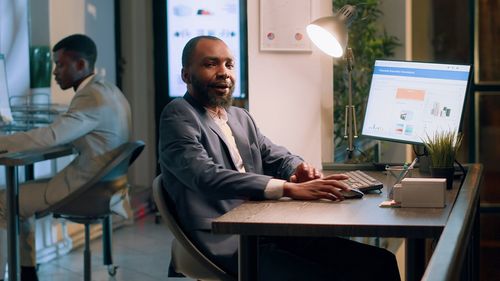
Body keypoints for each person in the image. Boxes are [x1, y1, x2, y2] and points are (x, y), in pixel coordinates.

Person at [159, 35, 401, 281]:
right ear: (186, 75)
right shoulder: (179, 114)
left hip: (263, 228)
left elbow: (274, 155)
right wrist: (288, 189)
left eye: (229, 65)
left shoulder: (240, 117)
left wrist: (300, 168)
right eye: (211, 64)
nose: (224, 73)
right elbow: (204, 176)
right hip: (225, 239)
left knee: (380, 262)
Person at [0, 34, 131, 281]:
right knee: (16, 196)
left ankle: (19, 274)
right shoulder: (108, 89)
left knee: (4, 201)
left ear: (81, 65)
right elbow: (76, 131)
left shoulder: (90, 97)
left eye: (60, 64)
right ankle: (27, 273)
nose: (54, 72)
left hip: (87, 190)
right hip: (107, 185)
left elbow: (50, 137)